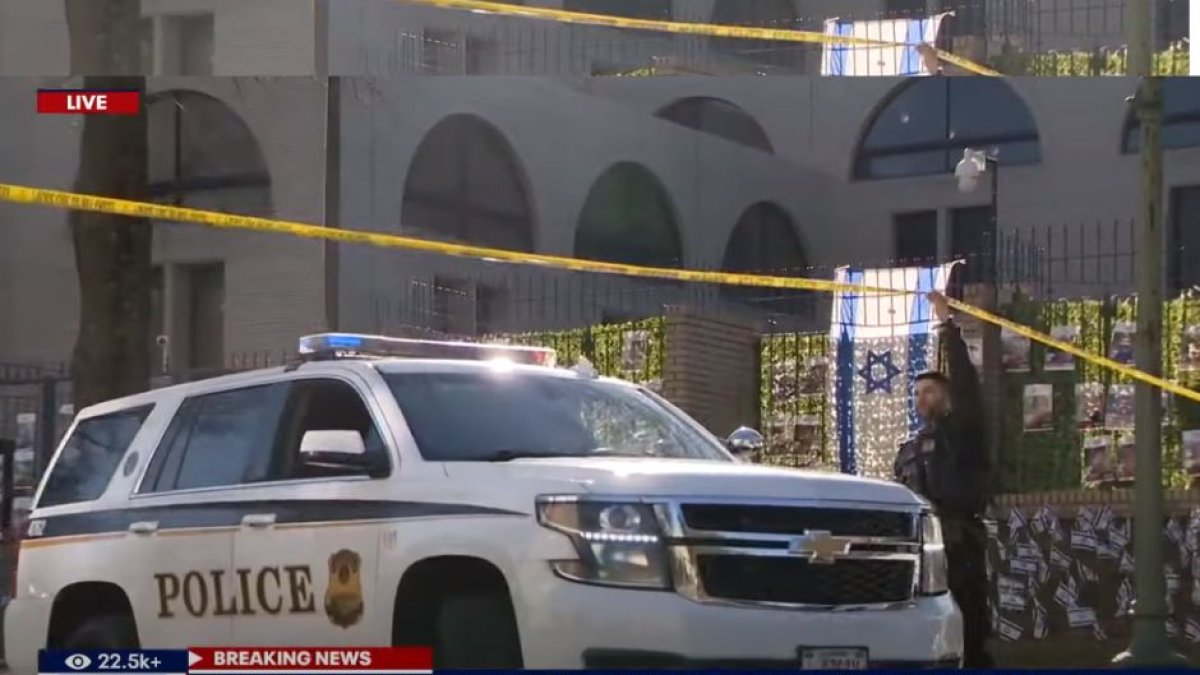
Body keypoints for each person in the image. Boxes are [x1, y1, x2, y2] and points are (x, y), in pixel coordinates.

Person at [893, 291, 994, 669]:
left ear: (947, 397)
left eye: (930, 391)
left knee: (967, 628)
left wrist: (946, 324)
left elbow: (967, 387)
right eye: (917, 392)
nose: (922, 398)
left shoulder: (961, 432)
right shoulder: (910, 448)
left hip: (957, 544)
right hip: (919, 547)